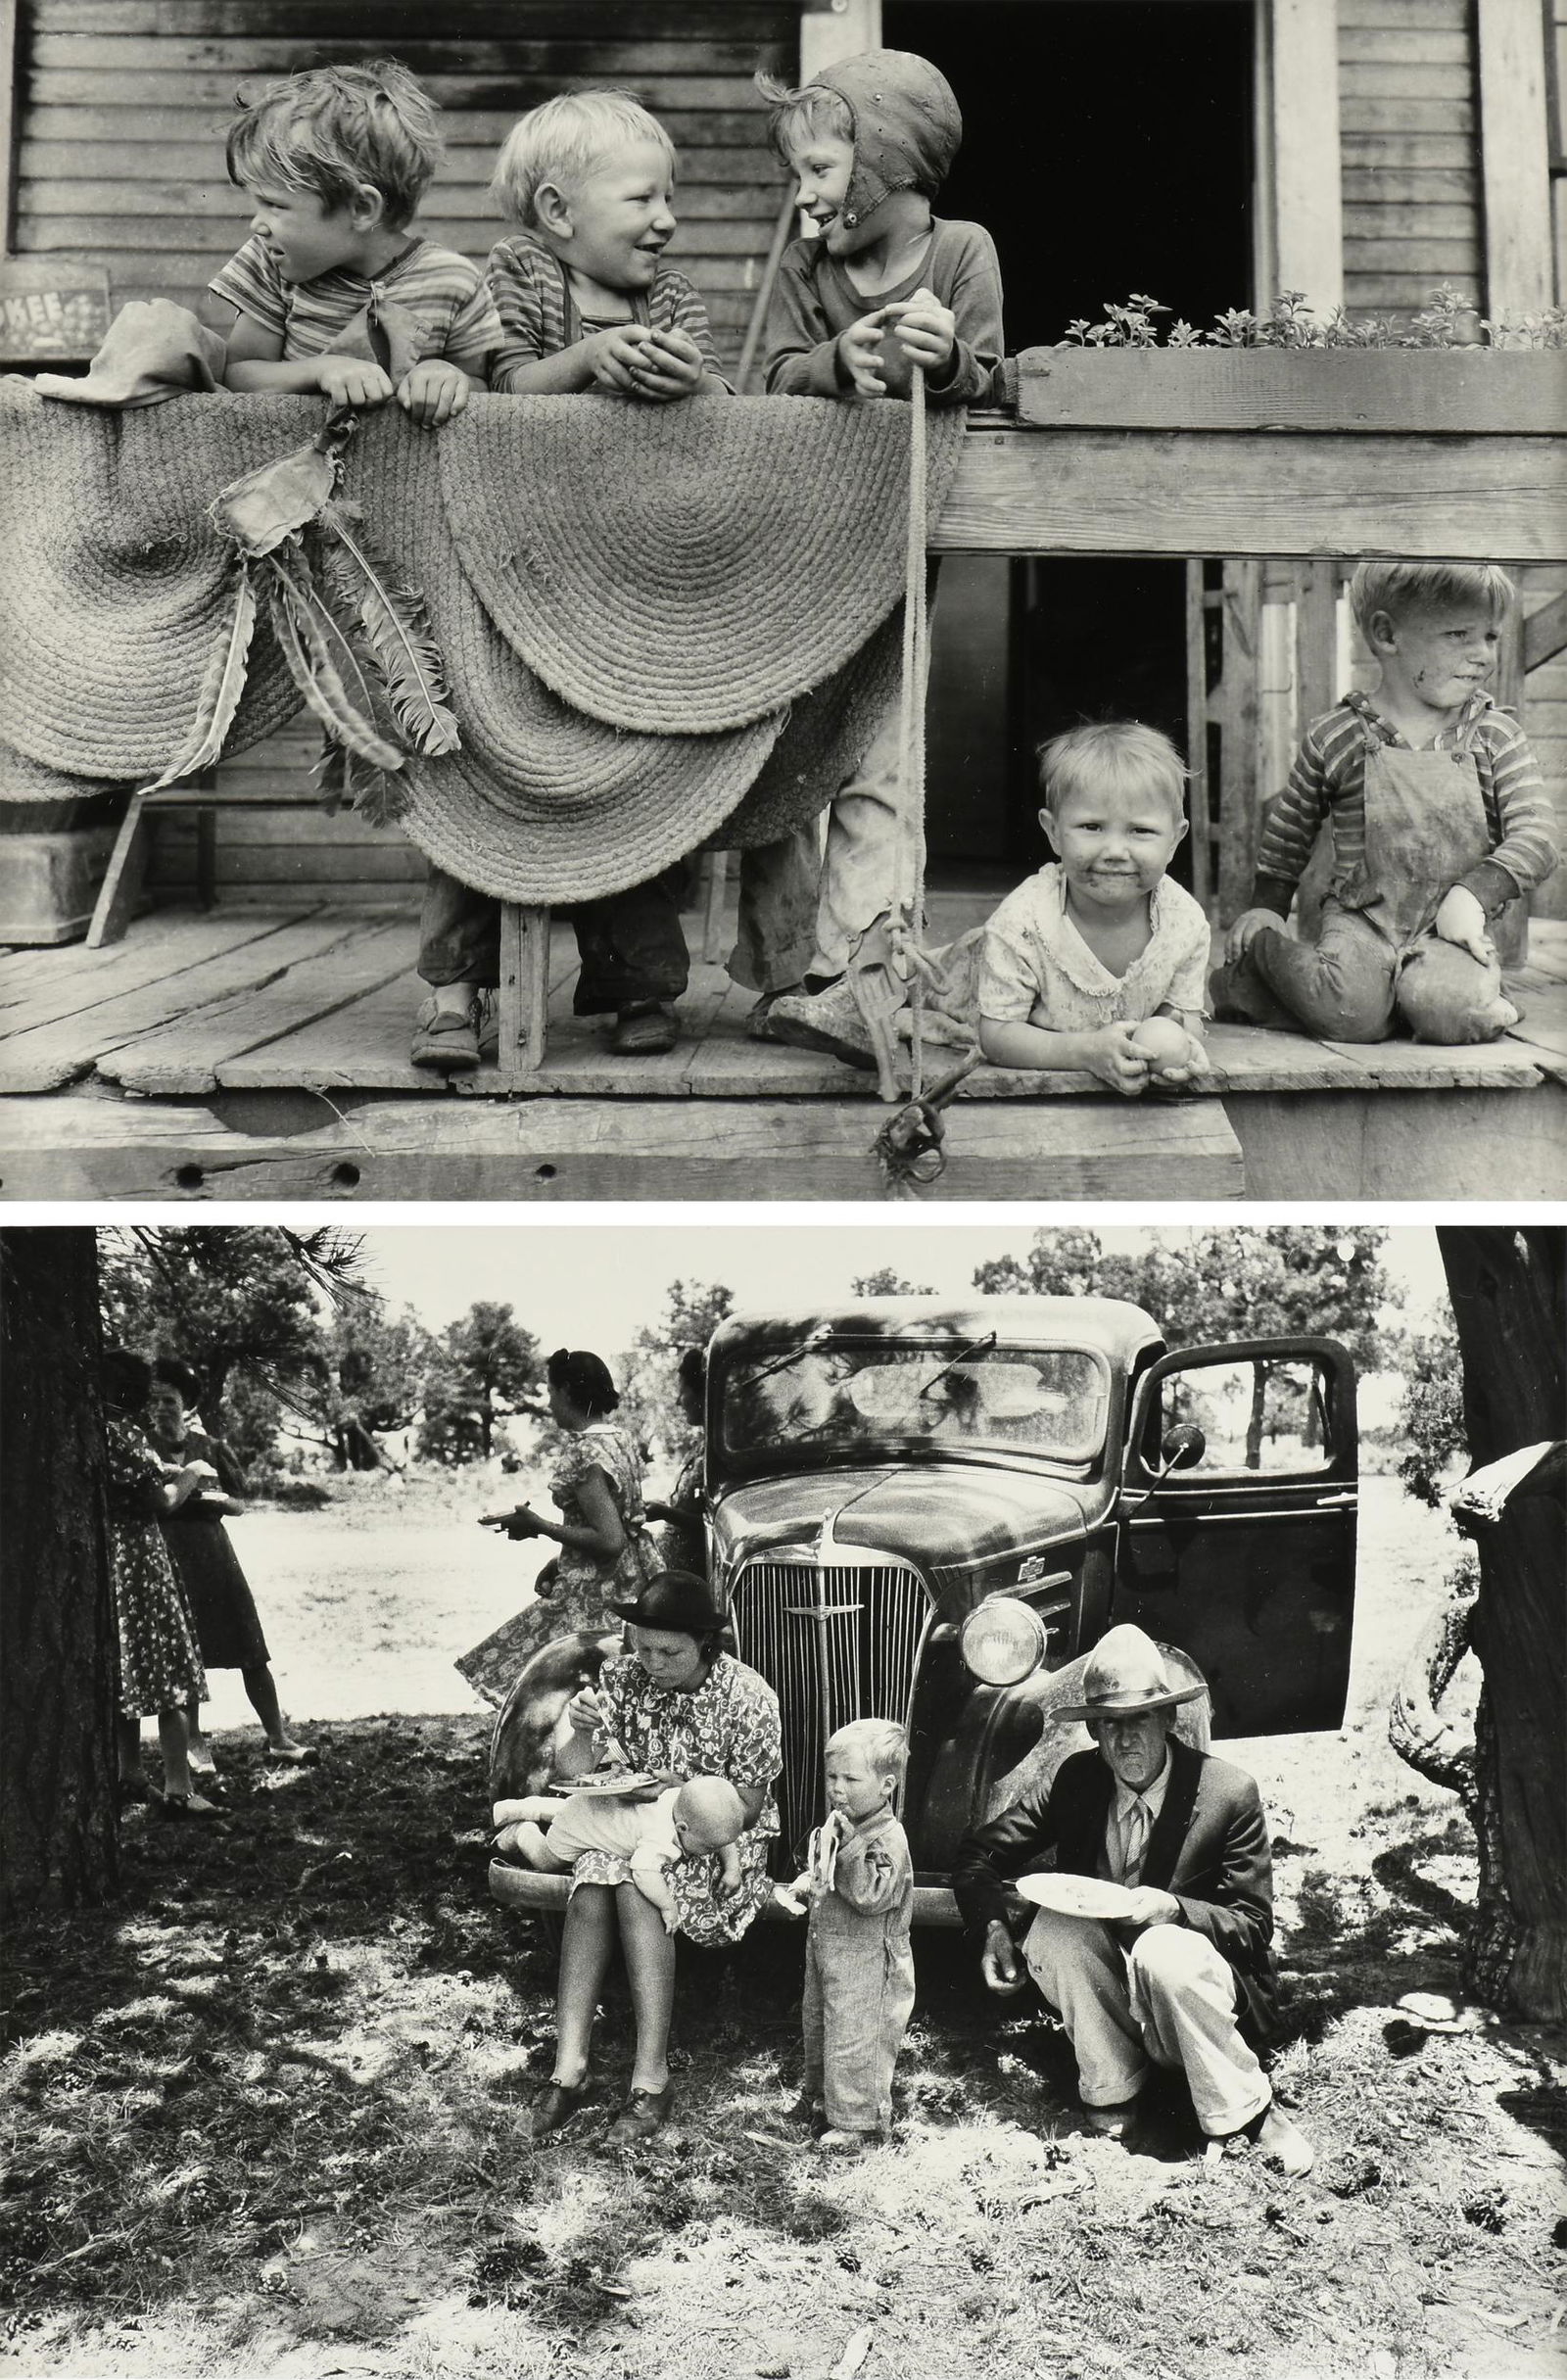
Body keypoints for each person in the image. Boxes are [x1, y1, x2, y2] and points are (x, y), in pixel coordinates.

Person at [408, 88, 818, 1071]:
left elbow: (714, 402)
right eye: (641, 198)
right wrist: (590, 359)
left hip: (621, 588)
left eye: (668, 197)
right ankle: (453, 990)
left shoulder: (668, 300)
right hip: (514, 574)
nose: (666, 218)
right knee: (487, 779)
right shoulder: (515, 274)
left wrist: (694, 389)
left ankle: (637, 986)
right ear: (558, 214)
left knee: (633, 780)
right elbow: (505, 387)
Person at [757, 50, 1006, 1067]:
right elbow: (768, 372)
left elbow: (984, 371)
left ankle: (864, 969)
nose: (803, 195)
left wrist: (939, 356)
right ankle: (791, 974)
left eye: (818, 169)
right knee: (784, 761)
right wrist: (833, 363)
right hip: (797, 553)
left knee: (884, 759)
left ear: (890, 162)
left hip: (897, 555)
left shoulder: (962, 253)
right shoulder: (802, 271)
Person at [952, 1624, 1313, 2178]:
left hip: (1197, 1996)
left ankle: (1247, 2112)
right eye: (1109, 1726)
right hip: (1116, 1993)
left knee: (1163, 1951)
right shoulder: (1077, 1780)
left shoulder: (1226, 1792)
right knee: (1053, 1929)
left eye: (1140, 1720)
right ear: (1093, 1732)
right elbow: (979, 1854)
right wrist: (994, 1931)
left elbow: (1254, 1924)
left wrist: (1174, 1909)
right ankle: (1113, 2094)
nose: (1125, 1741)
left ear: (1169, 1719)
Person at [1210, 561, 1557, 1046]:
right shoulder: (1336, 735)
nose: (1481, 655)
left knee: (1450, 1010)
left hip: (1450, 929)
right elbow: (1290, 829)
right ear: (1387, 635)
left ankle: (1419, 999)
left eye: (1491, 637)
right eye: (1458, 634)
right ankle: (1261, 963)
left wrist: (1472, 896)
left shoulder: (1496, 736)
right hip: (1363, 921)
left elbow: (1538, 837)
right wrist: (1267, 908)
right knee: (1352, 1015)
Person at [522, 1570, 782, 2146]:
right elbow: (575, 1773)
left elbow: (746, 1806)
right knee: (592, 1883)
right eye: (642, 1647)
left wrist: (673, 1785)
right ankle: (569, 2069)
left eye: (669, 1652)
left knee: (637, 1890)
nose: (653, 1663)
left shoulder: (748, 1698)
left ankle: (651, 2076)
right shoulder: (621, 1677)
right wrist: (580, 1731)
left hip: (714, 1836)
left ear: (705, 1644)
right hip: (630, 1823)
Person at [208, 58, 501, 426]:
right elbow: (237, 375)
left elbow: (482, 385)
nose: (257, 225)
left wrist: (445, 375)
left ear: (361, 208)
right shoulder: (269, 263)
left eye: (274, 205)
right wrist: (321, 370)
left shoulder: (454, 281)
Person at [976, 721, 1210, 1093]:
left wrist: (1181, 1048)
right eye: (1091, 827)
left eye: (1141, 831)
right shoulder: (1022, 922)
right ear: (1053, 832)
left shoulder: (1184, 922)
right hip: (983, 975)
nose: (1115, 852)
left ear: (1174, 840)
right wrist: (1085, 1052)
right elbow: (997, 1033)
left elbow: (1183, 1016)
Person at [457, 1348, 659, 1708]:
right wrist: (560, 1558)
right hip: (633, 1578)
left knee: (548, 1684)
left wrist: (539, 1525)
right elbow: (613, 1526)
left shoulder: (585, 1453)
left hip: (599, 1593)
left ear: (567, 1391)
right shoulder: (621, 1440)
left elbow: (610, 1540)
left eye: (550, 1392)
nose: (549, 1404)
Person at [145, 1357, 311, 1774]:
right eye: (155, 1401)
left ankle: (279, 1738)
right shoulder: (144, 1448)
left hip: (217, 1557)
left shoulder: (213, 1448)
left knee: (250, 1646)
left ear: (186, 1405)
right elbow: (153, 1503)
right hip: (170, 1558)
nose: (162, 1408)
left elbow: (238, 1502)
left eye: (170, 1400)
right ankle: (195, 1744)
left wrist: (219, 1500)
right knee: (185, 1655)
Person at [775, 1718, 915, 2154]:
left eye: (851, 1778)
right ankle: (824, 2100)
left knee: (858, 2036)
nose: (837, 1788)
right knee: (822, 2023)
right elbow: (825, 1867)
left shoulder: (887, 1838)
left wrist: (851, 1843)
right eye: (832, 1777)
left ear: (886, 1785)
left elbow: (872, 1894)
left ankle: (860, 2123)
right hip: (830, 1949)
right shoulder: (841, 1823)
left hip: (870, 1960)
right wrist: (805, 1882)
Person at [101, 1349, 218, 1818]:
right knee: (169, 1669)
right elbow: (161, 1501)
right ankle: (179, 1788)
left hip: (110, 1560)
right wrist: (189, 1474)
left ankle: (129, 1773)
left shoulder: (92, 1430)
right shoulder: (124, 1435)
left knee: (125, 1668)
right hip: (140, 1561)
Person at [492, 1772, 746, 1935]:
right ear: (682, 1828)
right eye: (708, 1849)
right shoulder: (659, 1838)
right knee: (547, 1859)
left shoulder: (681, 1800)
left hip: (591, 1808)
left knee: (569, 1812)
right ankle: (523, 1830)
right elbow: (643, 1871)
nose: (710, 1853)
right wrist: (668, 1906)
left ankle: (532, 1806)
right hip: (578, 1827)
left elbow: (719, 1834)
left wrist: (732, 1866)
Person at [642, 1346, 707, 1574]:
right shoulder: (701, 1447)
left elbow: (717, 1525)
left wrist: (664, 1512)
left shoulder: (719, 1453)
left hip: (693, 1580)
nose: (678, 1402)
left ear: (701, 1393)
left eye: (682, 1391)